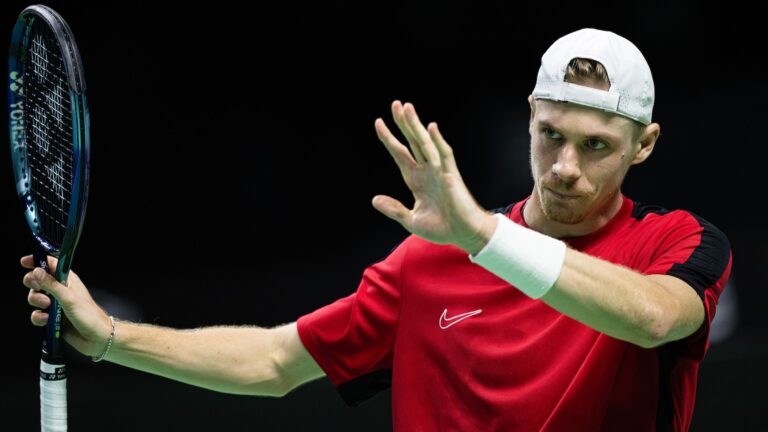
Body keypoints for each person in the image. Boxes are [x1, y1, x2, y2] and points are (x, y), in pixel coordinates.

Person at [22, 28, 731, 431]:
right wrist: (112, 340)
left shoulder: (675, 244)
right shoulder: (428, 263)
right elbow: (274, 362)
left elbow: (648, 318)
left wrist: (483, 236)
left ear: (645, 144)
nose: (565, 167)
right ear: (528, 119)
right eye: (550, 135)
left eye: (597, 146)